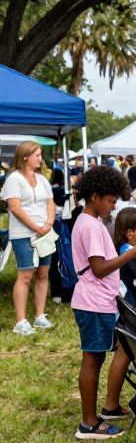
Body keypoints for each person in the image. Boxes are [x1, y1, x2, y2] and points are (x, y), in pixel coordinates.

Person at [71, 166, 136, 439]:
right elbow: (100, 268)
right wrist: (133, 254)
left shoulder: (90, 221)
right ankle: (89, 424)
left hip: (99, 301)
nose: (114, 207)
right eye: (111, 201)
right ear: (94, 196)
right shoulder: (91, 226)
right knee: (92, 359)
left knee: (104, 355)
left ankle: (108, 408)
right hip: (93, 302)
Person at [2, 140, 56, 335]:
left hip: (44, 232)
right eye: (38, 155)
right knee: (25, 275)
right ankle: (21, 321)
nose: (41, 159)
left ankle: (40, 316)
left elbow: (51, 202)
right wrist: (36, 227)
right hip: (23, 234)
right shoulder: (13, 179)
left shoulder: (42, 179)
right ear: (25, 157)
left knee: (43, 273)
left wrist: (48, 223)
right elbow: (15, 208)